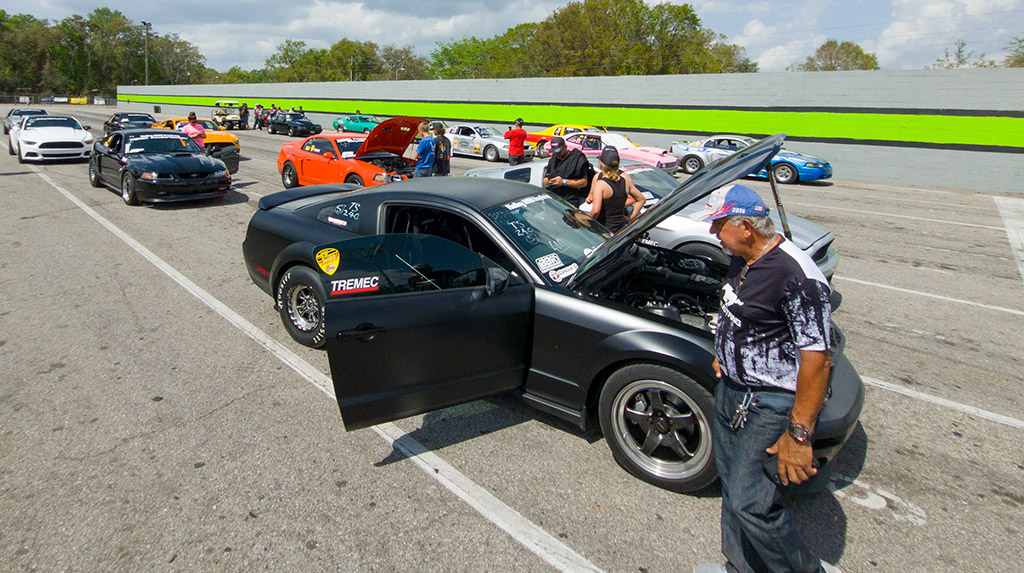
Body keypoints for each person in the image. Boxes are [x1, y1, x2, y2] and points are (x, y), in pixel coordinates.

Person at [690, 184, 839, 573]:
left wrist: (799, 434)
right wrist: (726, 355)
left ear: (745, 228)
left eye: (718, 224)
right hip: (733, 391)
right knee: (731, 486)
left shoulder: (797, 277)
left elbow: (818, 361)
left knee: (752, 503)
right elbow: (742, 315)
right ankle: (740, 565)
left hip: (770, 403)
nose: (712, 233)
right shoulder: (743, 257)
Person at [586, 147, 645, 234]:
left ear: (601, 163)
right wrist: (630, 218)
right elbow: (641, 199)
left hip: (604, 229)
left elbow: (596, 211)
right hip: (620, 229)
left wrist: (587, 223)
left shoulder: (600, 184)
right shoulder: (624, 181)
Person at [541, 136, 592, 207]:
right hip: (553, 199)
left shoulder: (576, 159)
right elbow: (546, 176)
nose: (557, 154)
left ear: (565, 147)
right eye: (555, 152)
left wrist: (564, 182)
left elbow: (583, 182)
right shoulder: (553, 159)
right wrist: (546, 181)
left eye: (559, 151)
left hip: (569, 200)